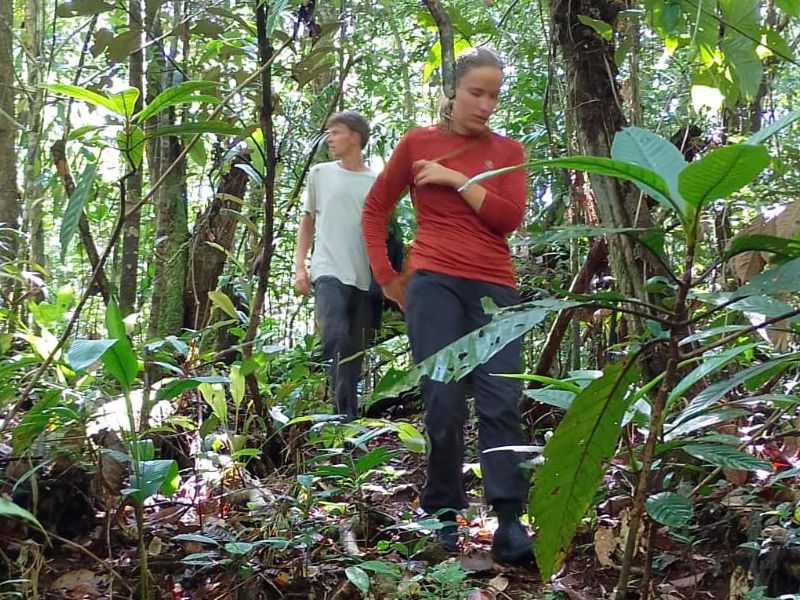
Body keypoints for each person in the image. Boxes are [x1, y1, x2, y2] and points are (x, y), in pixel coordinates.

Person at [361, 48, 532, 564]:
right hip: (433, 283)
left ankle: (509, 521)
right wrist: (386, 276)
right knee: (443, 401)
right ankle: (441, 515)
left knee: (501, 401)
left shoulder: (510, 151)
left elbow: (508, 219)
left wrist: (459, 180)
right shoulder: (417, 143)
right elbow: (376, 208)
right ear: (452, 92)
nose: (485, 105)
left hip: (495, 287)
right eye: (475, 93)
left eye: (494, 96)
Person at [294, 110, 380, 421]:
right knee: (336, 336)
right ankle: (344, 416)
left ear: (355, 137)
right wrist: (300, 266)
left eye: (336, 132)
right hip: (328, 269)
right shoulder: (321, 173)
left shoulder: (376, 181)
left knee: (355, 348)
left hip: (364, 276)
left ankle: (348, 417)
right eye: (329, 132)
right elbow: (308, 221)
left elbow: (383, 231)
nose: (330, 138)